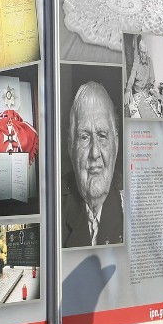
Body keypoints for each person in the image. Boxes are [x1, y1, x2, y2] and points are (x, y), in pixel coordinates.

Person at [62, 81, 123, 248]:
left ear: (116, 145)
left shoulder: (134, 203)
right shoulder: (54, 207)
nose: (95, 153)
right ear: (70, 147)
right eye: (84, 137)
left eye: (102, 136)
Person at [124, 34, 161, 118]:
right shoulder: (136, 61)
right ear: (139, 51)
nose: (142, 55)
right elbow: (132, 76)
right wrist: (128, 89)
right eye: (141, 52)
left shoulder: (150, 62)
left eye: (144, 53)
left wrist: (151, 90)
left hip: (147, 93)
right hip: (137, 93)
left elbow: (152, 79)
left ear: (146, 52)